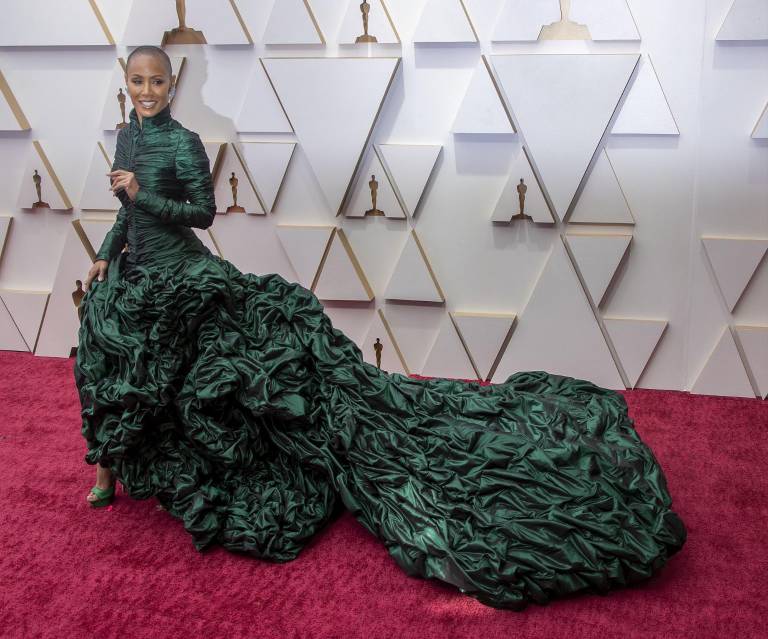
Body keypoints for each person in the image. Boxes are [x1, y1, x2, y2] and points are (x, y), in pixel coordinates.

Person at [76, 45, 685, 610]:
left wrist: (144, 195)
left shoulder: (183, 142)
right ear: (126, 84)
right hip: (137, 271)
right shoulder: (127, 136)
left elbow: (202, 214)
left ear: (173, 83)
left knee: (229, 378)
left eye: (157, 81)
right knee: (108, 346)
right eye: (137, 81)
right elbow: (125, 212)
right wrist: (106, 249)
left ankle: (215, 462)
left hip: (188, 276)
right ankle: (108, 470)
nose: (147, 90)